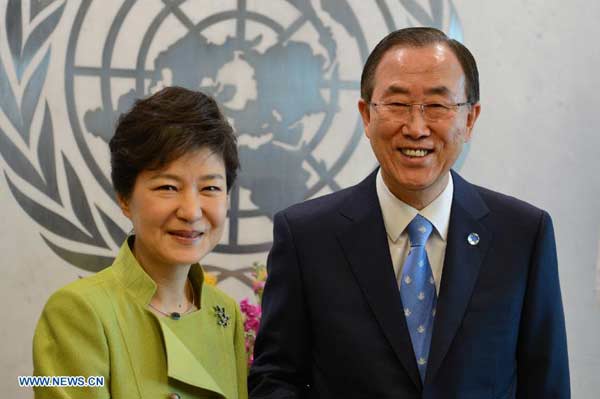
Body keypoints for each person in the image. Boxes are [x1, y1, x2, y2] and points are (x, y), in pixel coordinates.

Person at [248, 27, 570, 398]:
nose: (416, 128)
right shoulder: (306, 237)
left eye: (437, 105)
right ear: (366, 115)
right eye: (397, 104)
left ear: (469, 119)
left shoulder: (524, 235)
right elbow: (275, 379)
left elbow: (547, 385)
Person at [33, 87, 248, 399]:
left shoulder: (224, 313)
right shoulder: (78, 311)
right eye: (168, 187)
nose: (191, 211)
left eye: (211, 188)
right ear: (124, 198)